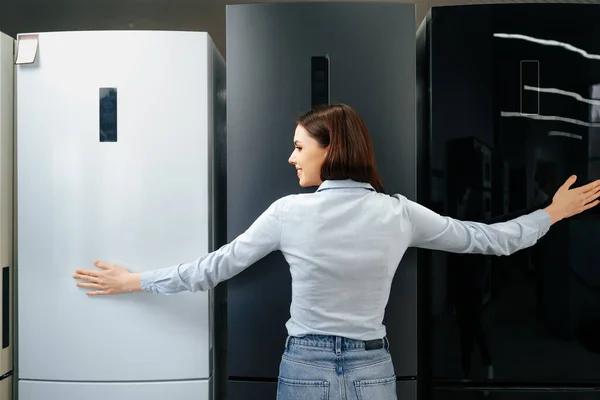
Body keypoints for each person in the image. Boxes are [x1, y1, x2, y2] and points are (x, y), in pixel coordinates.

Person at [73, 104, 600, 400]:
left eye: (300, 146)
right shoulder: (399, 213)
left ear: (332, 149)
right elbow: (491, 240)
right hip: (374, 371)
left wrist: (134, 280)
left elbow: (213, 269)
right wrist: (552, 213)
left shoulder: (288, 213)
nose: (290, 157)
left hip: (304, 366)